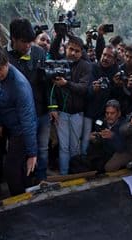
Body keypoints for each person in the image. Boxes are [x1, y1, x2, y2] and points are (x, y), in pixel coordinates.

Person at [0, 43, 37, 195]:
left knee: (11, 170)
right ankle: (25, 194)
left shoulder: (19, 86)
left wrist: (32, 153)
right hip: (9, 127)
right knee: (18, 168)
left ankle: (18, 202)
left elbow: (28, 120)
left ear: (6, 63)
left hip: (21, 131)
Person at [7, 18, 49, 181]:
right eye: (24, 42)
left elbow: (47, 84)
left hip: (42, 112)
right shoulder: (4, 57)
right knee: (24, 151)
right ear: (13, 40)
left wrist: (52, 108)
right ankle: (26, 182)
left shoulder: (39, 53)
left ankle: (42, 180)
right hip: (20, 117)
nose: (28, 46)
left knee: (43, 149)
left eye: (31, 42)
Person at [49, 35, 91, 174]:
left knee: (74, 147)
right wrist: (53, 108)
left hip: (77, 114)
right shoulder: (59, 63)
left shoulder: (85, 66)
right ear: (66, 48)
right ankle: (64, 174)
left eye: (77, 51)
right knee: (64, 147)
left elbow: (83, 88)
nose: (73, 53)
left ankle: (74, 175)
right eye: (71, 49)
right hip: (61, 113)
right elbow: (52, 89)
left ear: (81, 52)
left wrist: (66, 83)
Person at [86, 99, 126, 173]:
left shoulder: (124, 126)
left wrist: (112, 137)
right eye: (107, 113)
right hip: (101, 154)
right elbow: (97, 133)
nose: (109, 116)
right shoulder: (100, 121)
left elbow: (122, 149)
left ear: (119, 113)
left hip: (115, 155)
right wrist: (93, 138)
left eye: (112, 113)